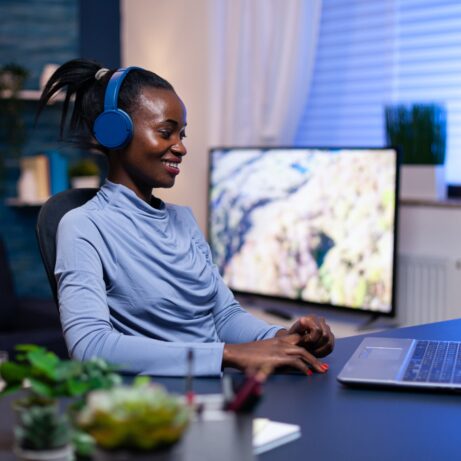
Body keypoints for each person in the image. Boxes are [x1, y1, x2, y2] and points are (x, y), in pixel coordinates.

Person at [36, 59, 335, 377]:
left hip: (218, 387)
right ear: (115, 132)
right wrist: (228, 356)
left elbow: (223, 315)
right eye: (165, 132)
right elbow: (90, 347)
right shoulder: (83, 226)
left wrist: (280, 339)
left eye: (182, 134)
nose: (180, 147)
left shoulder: (183, 221)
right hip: (159, 404)